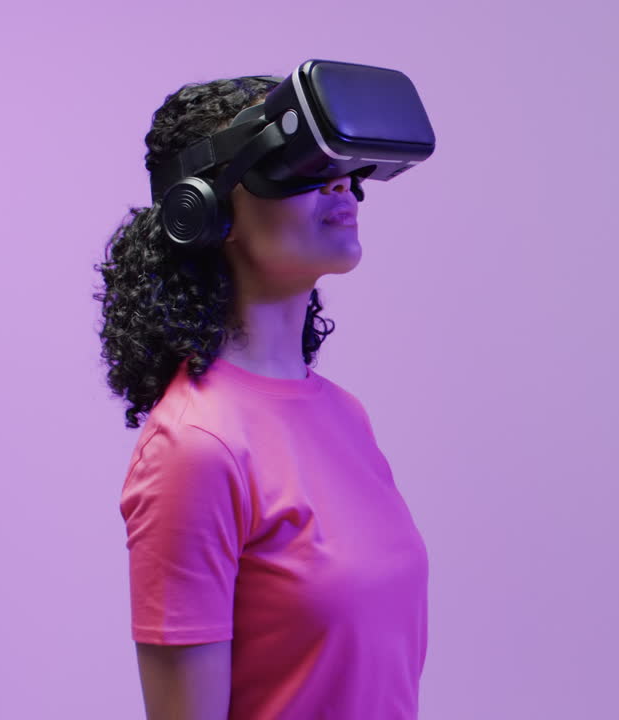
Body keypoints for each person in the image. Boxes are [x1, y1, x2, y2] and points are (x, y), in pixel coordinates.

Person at [93, 76, 429, 720]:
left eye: (342, 165)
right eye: (298, 163)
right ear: (205, 211)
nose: (340, 185)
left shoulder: (344, 414)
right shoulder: (194, 448)